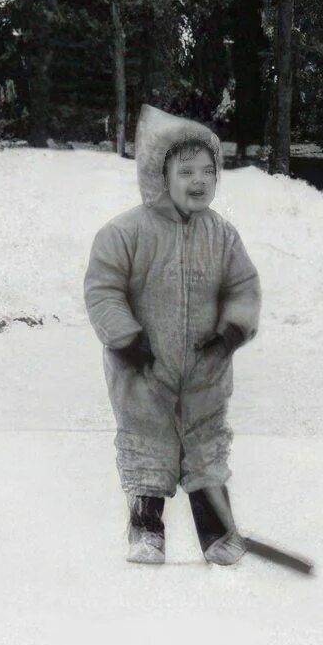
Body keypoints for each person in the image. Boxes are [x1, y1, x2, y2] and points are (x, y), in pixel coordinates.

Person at [83, 105, 261, 566]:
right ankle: (146, 529)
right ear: (161, 176)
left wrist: (230, 333)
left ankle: (217, 534)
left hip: (205, 369)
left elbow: (242, 287)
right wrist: (125, 339)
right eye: (186, 171)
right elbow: (103, 289)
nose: (199, 180)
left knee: (205, 447)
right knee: (149, 444)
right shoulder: (125, 233)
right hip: (143, 366)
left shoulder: (222, 236)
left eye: (208, 171)